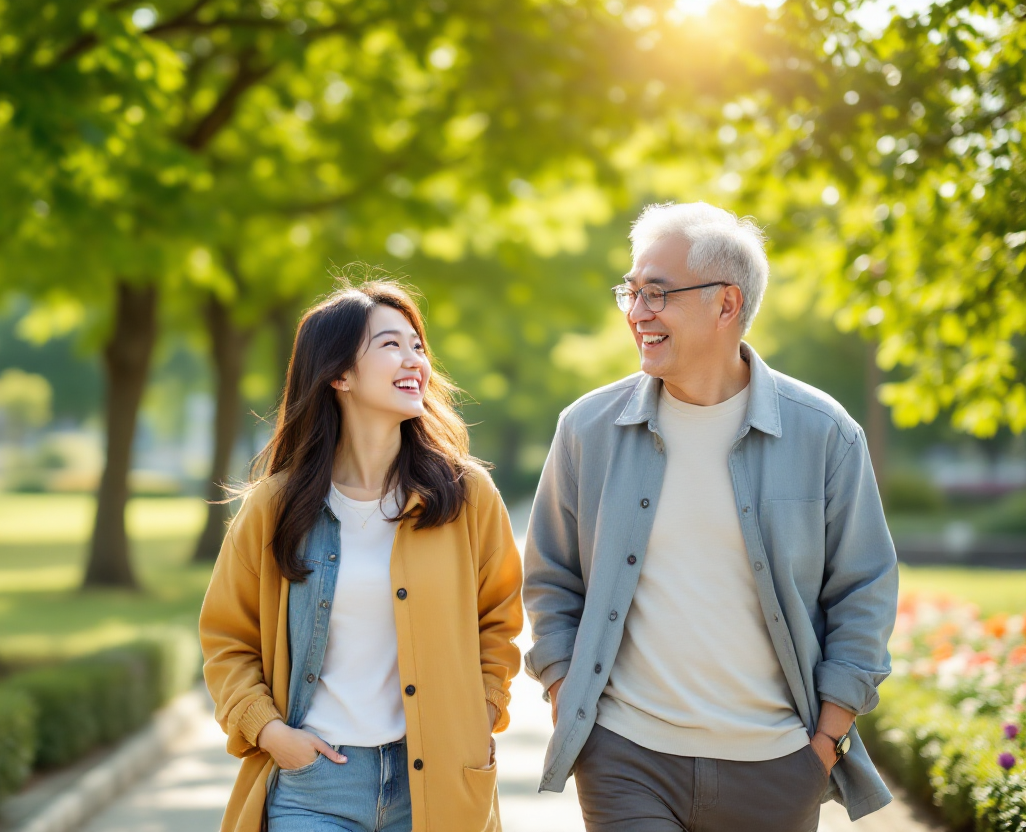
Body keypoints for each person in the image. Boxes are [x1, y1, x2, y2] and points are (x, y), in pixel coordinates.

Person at [522, 202, 899, 831]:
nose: (637, 312)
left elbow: (864, 588)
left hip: (778, 765)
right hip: (626, 757)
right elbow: (551, 576)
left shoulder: (824, 433)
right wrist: (566, 691)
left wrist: (826, 741)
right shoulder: (587, 429)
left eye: (658, 293)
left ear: (727, 304)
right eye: (632, 291)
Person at [199, 277, 523, 832]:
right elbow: (228, 641)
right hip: (313, 785)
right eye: (390, 345)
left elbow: (499, 621)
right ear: (339, 375)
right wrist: (273, 735)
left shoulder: (466, 497)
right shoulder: (274, 509)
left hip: (440, 782)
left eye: (418, 345)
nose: (414, 359)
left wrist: (481, 713)